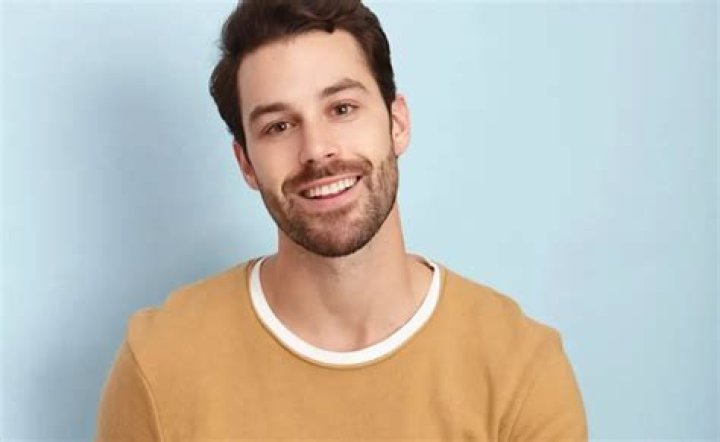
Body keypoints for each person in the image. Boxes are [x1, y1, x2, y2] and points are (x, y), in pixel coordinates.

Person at [95, 0, 588, 440]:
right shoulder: (160, 361)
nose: (316, 150)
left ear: (397, 123)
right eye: (279, 126)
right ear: (246, 163)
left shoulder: (520, 370)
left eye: (342, 108)